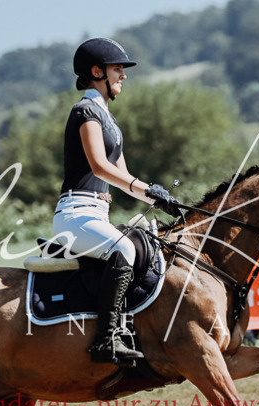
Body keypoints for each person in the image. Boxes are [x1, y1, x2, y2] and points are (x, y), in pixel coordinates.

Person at [53, 37, 181, 365]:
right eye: (117, 69)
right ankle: (106, 339)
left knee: (144, 247)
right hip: (75, 214)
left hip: (97, 213)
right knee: (124, 249)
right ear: (97, 72)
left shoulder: (109, 120)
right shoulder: (85, 111)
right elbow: (100, 166)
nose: (123, 75)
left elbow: (123, 179)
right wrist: (145, 187)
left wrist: (155, 193)